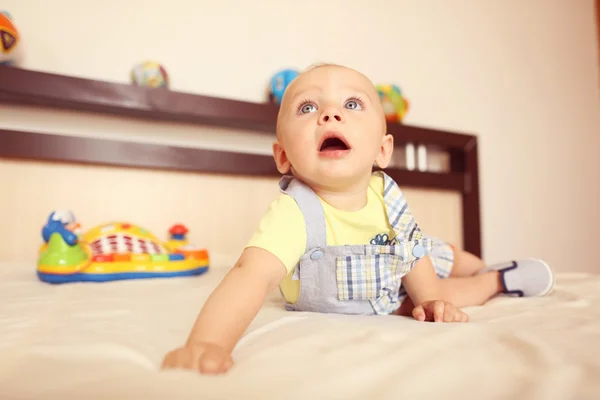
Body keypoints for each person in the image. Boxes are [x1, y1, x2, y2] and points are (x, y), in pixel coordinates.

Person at [161, 64, 554, 375]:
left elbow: (411, 254)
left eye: (351, 105)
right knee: (418, 297)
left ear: (382, 152)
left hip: (404, 263)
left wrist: (432, 298)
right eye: (308, 107)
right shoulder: (294, 212)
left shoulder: (388, 198)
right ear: (284, 158)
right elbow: (249, 274)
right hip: (381, 295)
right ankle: (490, 273)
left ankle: (497, 276)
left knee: (444, 285)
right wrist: (208, 343)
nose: (330, 114)